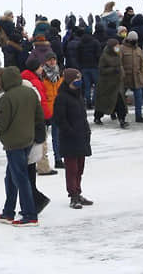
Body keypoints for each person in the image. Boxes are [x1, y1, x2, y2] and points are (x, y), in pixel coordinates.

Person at [0, 66, 44, 227]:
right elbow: (39, 116)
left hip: (14, 143)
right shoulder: (30, 93)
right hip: (28, 140)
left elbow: (2, 123)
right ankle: (8, 212)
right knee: (11, 177)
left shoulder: (6, 98)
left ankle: (30, 214)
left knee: (20, 178)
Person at [53, 69, 93, 209]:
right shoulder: (62, 97)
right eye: (76, 79)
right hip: (69, 138)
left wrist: (86, 131)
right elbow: (59, 119)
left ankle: (78, 191)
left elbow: (82, 116)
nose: (79, 81)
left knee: (80, 168)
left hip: (81, 136)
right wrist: (69, 131)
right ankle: (73, 195)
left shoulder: (78, 96)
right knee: (72, 169)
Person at [96, 39, 128, 128]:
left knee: (120, 102)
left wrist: (122, 73)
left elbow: (120, 65)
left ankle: (122, 119)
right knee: (104, 102)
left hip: (117, 83)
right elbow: (101, 70)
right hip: (107, 84)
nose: (118, 48)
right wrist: (113, 70)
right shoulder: (104, 56)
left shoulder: (118, 55)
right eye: (116, 46)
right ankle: (97, 117)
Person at [121, 31, 143, 123]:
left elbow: (142, 64)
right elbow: (119, 63)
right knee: (121, 98)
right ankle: (121, 116)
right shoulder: (122, 49)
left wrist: (142, 76)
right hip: (125, 77)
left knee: (139, 98)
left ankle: (139, 116)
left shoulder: (138, 50)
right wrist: (122, 73)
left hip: (137, 77)